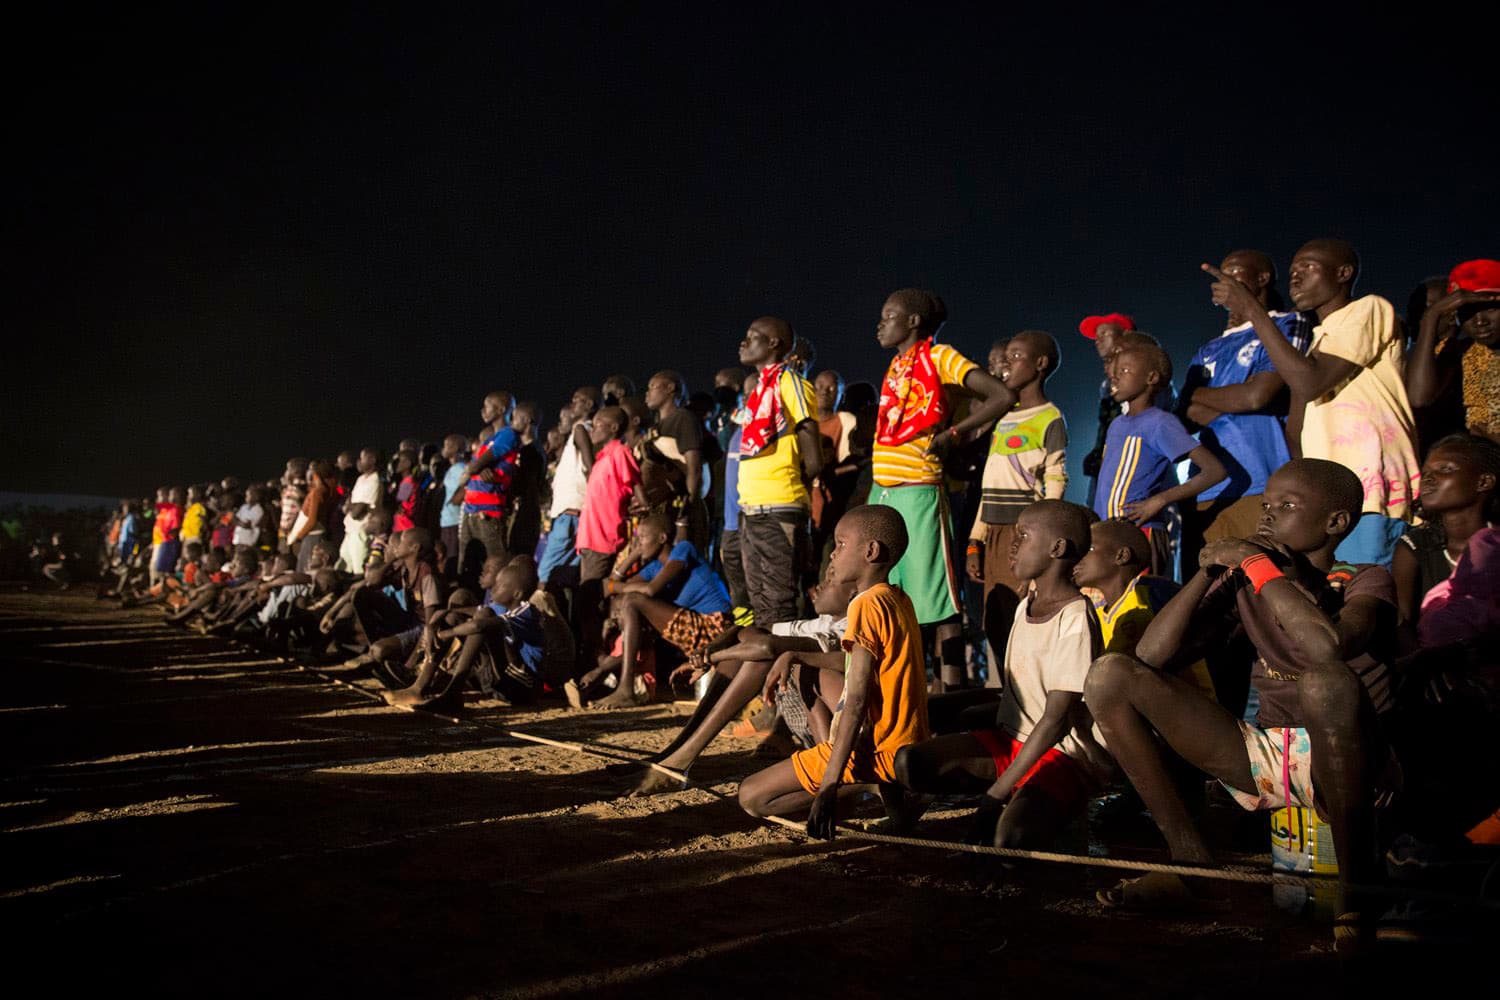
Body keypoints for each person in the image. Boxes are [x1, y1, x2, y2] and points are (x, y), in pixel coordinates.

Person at [1086, 459, 1398, 941]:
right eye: (1266, 505)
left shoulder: (1365, 580)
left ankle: (1359, 896)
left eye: (1287, 506)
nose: (1268, 516)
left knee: (1322, 682)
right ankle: (1192, 865)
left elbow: (1325, 650)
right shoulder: (1242, 585)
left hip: (1355, 761)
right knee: (1110, 674)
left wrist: (1257, 564)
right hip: (1271, 756)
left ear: (1335, 523)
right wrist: (1208, 572)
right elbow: (1150, 655)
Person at [895, 500, 1110, 848]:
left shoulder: (1074, 618)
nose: (1012, 545)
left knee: (1010, 839)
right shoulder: (1027, 604)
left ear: (1058, 548)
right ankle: (1021, 795)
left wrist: (995, 795)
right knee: (910, 763)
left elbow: (1055, 721)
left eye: (1023, 536)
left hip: (1060, 754)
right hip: (1011, 741)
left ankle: (1054, 808)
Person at [1203, 240, 1420, 566]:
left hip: (1370, 489)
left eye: (1308, 267)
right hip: (1326, 502)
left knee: (1367, 594)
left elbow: (1310, 382)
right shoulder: (1316, 342)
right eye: (1292, 271)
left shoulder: (1368, 309)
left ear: (1343, 273)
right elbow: (1297, 427)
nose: (1295, 277)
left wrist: (1252, 310)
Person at [738, 505, 927, 839]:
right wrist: (796, 654)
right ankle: (886, 792)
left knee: (751, 796)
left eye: (840, 545)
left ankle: (865, 782)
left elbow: (855, 702)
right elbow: (860, 665)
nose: (833, 555)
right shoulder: (895, 597)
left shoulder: (864, 605)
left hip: (876, 749)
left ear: (871, 551)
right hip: (904, 742)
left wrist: (829, 785)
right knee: (807, 670)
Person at [869, 289, 1017, 690]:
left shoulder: (939, 356)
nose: (880, 323)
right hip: (883, 492)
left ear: (914, 321)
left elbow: (1001, 395)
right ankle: (908, 686)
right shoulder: (897, 365)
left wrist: (955, 434)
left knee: (937, 600)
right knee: (890, 595)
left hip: (919, 491)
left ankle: (951, 690)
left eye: (889, 315)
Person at [622, 569, 859, 794]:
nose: (817, 588)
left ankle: (680, 761)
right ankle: (674, 755)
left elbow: (767, 646)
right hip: (811, 721)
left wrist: (713, 657)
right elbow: (752, 629)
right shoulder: (822, 623)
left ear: (851, 594)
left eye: (829, 581)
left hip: (841, 737)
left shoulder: (846, 629)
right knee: (747, 650)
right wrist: (714, 647)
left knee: (761, 656)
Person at [1180, 249, 1312, 569]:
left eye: (1233, 274)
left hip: (1264, 482)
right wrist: (1230, 399)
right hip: (1208, 491)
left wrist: (1204, 396)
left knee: (1262, 585)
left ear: (1262, 278)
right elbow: (1184, 413)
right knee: (1212, 594)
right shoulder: (1209, 348)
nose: (1222, 283)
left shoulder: (1287, 323)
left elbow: (1257, 396)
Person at [965, 330, 1068, 664]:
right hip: (993, 531)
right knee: (994, 619)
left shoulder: (1050, 418)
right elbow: (989, 486)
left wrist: (1046, 534)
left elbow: (1055, 477)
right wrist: (975, 540)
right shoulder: (1004, 418)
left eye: (1015, 357)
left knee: (1022, 617)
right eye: (1005, 357)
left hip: (1022, 533)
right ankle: (1006, 698)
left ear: (1040, 364)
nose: (1006, 364)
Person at [1093, 341, 1226, 579]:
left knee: (1144, 607)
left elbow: (1214, 471)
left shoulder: (1159, 422)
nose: (1115, 377)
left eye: (1124, 371)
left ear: (1151, 377)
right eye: (1115, 372)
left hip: (1140, 535)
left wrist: (1159, 500)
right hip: (1108, 533)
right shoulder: (1117, 425)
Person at [577, 512, 733, 710]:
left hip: (716, 627)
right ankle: (608, 676)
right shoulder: (653, 567)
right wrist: (632, 556)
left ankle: (626, 690)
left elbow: (649, 589)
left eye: (642, 537)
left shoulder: (683, 549)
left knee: (634, 601)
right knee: (632, 608)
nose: (639, 543)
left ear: (662, 538)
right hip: (696, 628)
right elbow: (616, 589)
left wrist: (614, 588)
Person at [735, 316, 823, 627]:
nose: (743, 343)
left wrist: (804, 479)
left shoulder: (791, 383)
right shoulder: (760, 390)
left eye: (752, 336)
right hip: (752, 508)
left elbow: (809, 435)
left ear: (773, 343)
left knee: (780, 600)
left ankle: (789, 671)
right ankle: (767, 671)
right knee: (760, 602)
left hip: (780, 506)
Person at [1073, 518, 1214, 696]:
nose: (1078, 558)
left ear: (1122, 556)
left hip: (1185, 703)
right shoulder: (1098, 613)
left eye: (1089, 549)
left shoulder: (1153, 592)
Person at [385, 557, 546, 712]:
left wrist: (443, 635)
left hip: (522, 689)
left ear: (517, 594)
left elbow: (478, 623)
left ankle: (453, 694)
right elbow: (473, 612)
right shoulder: (505, 609)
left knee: (482, 618)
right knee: (457, 616)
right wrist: (444, 614)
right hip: (500, 682)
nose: (494, 588)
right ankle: (418, 688)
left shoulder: (528, 613)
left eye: (500, 585)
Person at [1392, 433, 1500, 630]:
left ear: (1484, 482)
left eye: (1445, 469)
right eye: (1425, 473)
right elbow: (1401, 626)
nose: (1428, 479)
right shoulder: (1414, 546)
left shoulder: (1496, 543)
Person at [574, 405, 644, 671]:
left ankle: (595, 661)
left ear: (614, 428)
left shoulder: (620, 453)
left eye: (599, 423)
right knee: (589, 603)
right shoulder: (603, 457)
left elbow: (636, 486)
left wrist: (642, 504)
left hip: (603, 539)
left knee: (590, 602)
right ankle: (595, 658)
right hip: (590, 540)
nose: (593, 428)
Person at [1405, 259, 1500, 446]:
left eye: (1490, 308)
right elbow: (1419, 397)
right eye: (1467, 312)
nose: (1479, 321)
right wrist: (1432, 316)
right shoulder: (1460, 353)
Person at [639, 370, 709, 549]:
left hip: (682, 505)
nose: (647, 393)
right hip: (664, 506)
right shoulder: (656, 427)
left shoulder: (683, 418)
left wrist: (689, 508)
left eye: (653, 387)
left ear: (670, 388)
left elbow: (694, 467)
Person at [457, 391, 521, 584]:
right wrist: (475, 470)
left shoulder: (508, 435)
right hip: (472, 511)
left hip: (488, 513)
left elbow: (473, 468)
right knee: (469, 565)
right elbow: (468, 476)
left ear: (501, 409)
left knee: (495, 566)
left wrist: (474, 469)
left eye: (487, 406)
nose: (483, 410)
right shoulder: (489, 439)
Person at [1078, 312, 1137, 507]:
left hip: (1134, 468)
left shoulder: (1144, 376)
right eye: (1096, 336)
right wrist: (1098, 451)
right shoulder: (1106, 384)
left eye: (1105, 333)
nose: (1097, 340)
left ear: (1125, 334)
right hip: (1106, 468)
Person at [809, 369, 863, 576]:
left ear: (840, 393)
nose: (825, 392)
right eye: (820, 386)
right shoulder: (803, 421)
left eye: (832, 388)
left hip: (834, 503)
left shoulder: (846, 421)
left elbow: (856, 461)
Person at [437, 435, 468, 579]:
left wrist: (454, 502)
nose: (444, 449)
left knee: (451, 560)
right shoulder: (452, 469)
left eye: (447, 445)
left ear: (455, 449)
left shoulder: (459, 468)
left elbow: (465, 488)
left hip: (454, 521)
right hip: (448, 520)